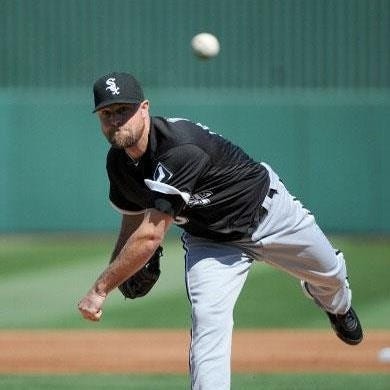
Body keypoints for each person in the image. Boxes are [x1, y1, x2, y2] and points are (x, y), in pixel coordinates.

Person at [78, 72, 363, 389]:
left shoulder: (179, 147)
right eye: (107, 113)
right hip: (211, 240)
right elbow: (133, 215)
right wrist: (118, 264)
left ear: (144, 108)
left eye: (123, 110)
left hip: (270, 216)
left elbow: (151, 235)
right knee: (208, 321)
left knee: (331, 275)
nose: (116, 121)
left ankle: (335, 306)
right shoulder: (117, 164)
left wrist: (101, 289)